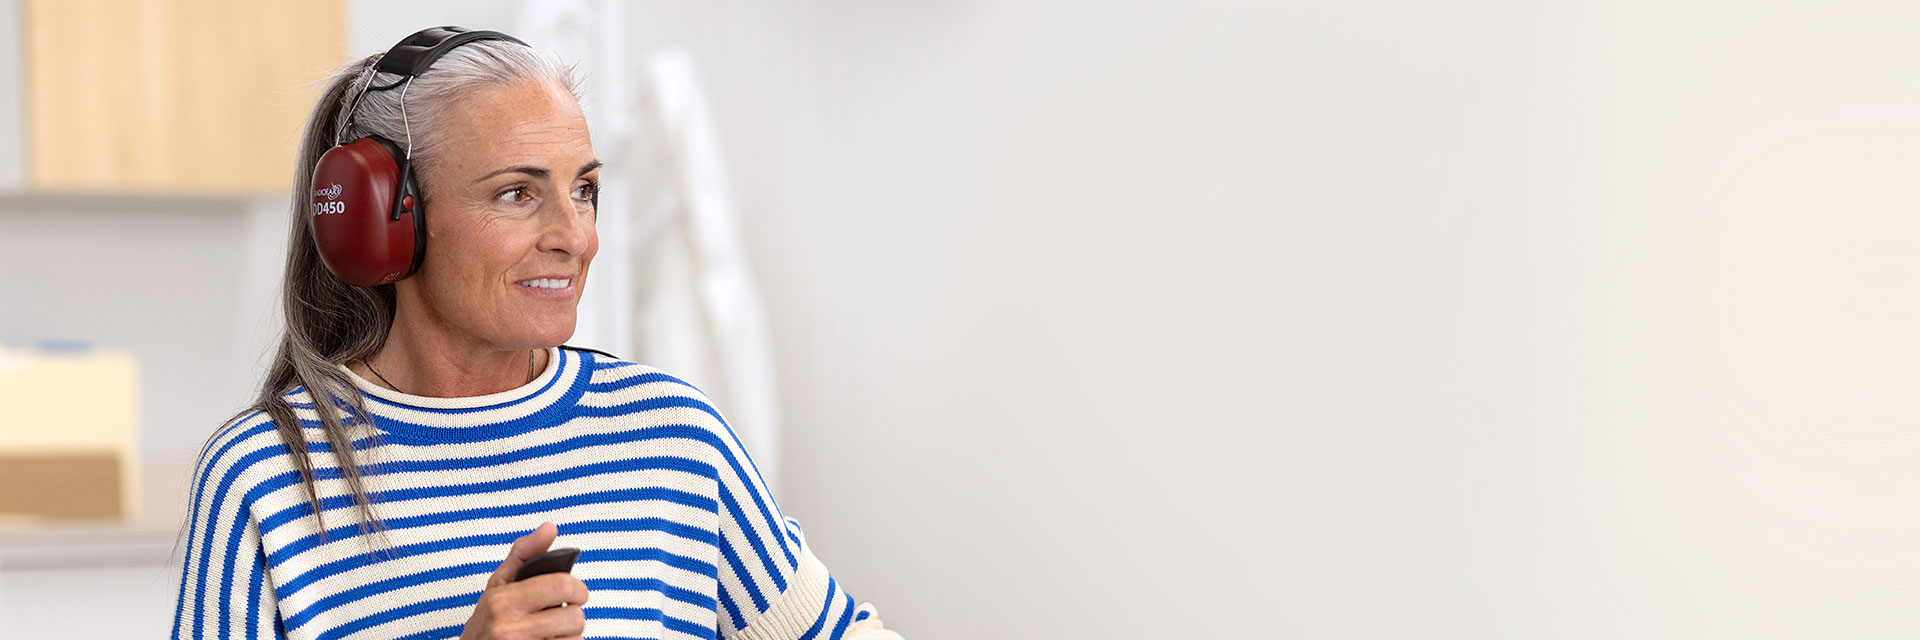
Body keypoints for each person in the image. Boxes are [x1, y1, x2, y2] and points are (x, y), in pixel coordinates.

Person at [172, 26, 902, 640]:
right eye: (517, 193)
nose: (576, 237)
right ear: (386, 225)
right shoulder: (265, 480)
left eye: (583, 190)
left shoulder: (675, 434)